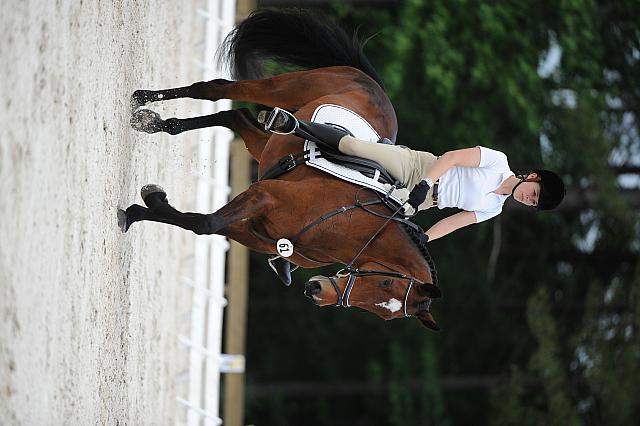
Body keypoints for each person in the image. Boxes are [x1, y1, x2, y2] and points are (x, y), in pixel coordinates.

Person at [261, 108, 566, 284]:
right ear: (534, 177)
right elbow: (452, 157)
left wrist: (425, 239)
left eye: (533, 203)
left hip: (424, 202)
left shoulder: (495, 208)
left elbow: (455, 222)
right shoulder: (498, 161)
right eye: (534, 193)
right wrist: (423, 185)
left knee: (364, 238)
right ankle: (293, 124)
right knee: (356, 148)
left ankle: (292, 255)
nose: (528, 199)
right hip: (419, 169)